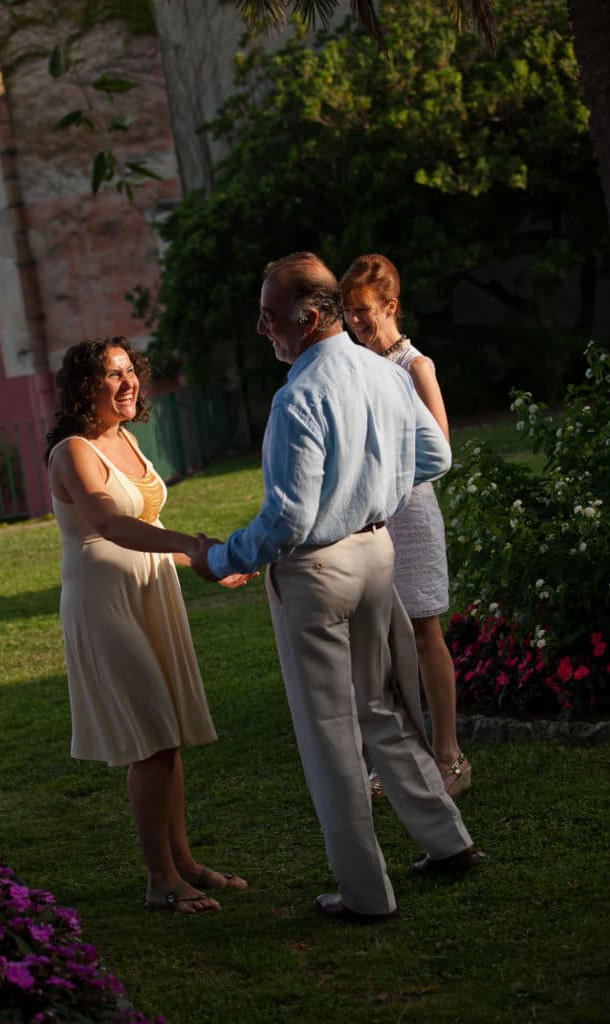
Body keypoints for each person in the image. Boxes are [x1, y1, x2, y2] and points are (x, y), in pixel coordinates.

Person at [193, 253, 483, 922]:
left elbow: (289, 518)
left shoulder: (298, 396)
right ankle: (449, 844)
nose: (262, 329)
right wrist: (374, 488)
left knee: (330, 734)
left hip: (318, 571)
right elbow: (436, 455)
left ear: (308, 317)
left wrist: (224, 555)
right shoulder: (386, 372)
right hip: (376, 554)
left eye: (269, 316)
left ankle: (365, 894)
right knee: (383, 708)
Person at [46, 336, 252, 915]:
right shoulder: (73, 451)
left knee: (169, 735)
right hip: (104, 603)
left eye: (130, 370)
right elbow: (110, 525)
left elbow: (147, 522)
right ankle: (160, 880)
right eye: (113, 374)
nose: (128, 381)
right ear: (85, 386)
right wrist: (192, 545)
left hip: (149, 592)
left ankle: (183, 863)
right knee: (152, 735)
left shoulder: (127, 439)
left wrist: (208, 562)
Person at [340, 254, 470, 798]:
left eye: (363, 310)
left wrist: (381, 475)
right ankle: (394, 760)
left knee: (423, 631)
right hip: (366, 516)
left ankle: (449, 754)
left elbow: (439, 451)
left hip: (410, 513)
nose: (354, 321)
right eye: (348, 312)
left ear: (390, 306)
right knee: (375, 641)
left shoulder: (417, 367)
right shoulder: (352, 366)